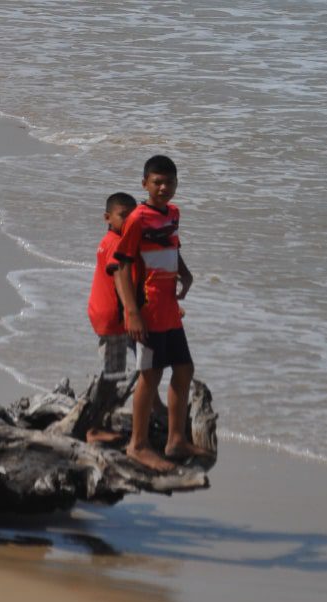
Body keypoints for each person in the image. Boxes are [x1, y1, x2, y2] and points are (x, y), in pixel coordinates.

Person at [113, 155, 212, 471]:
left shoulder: (172, 213)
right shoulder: (137, 219)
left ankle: (175, 440)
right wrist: (132, 312)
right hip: (147, 309)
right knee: (150, 376)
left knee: (184, 370)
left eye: (169, 182)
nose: (164, 187)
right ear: (145, 184)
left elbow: (173, 245)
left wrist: (185, 271)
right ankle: (137, 445)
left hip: (169, 309)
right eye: (157, 182)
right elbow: (121, 266)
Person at [85, 192, 166, 443]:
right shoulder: (116, 243)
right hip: (113, 318)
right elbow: (122, 278)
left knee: (146, 361)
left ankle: (156, 407)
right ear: (107, 217)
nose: (130, 220)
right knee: (114, 373)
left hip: (113, 313)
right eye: (124, 216)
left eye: (134, 215)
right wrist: (134, 312)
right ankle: (93, 425)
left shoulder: (115, 239)